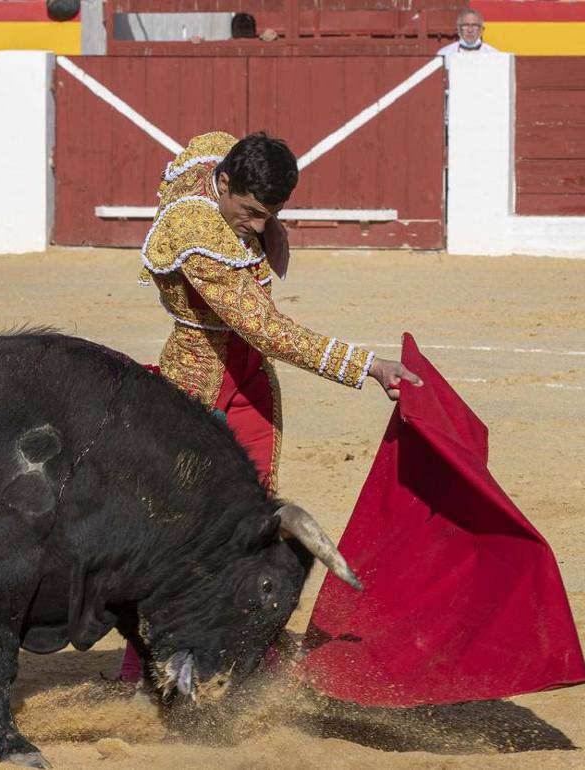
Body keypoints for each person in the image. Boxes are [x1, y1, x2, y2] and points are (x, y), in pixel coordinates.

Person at [119, 131, 422, 683]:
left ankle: (254, 644)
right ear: (225, 184)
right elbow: (265, 328)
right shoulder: (194, 229)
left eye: (271, 215)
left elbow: (215, 140)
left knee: (255, 520)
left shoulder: (216, 157)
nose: (257, 227)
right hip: (199, 383)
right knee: (183, 529)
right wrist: (367, 365)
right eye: (252, 212)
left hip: (249, 380)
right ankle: (149, 659)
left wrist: (269, 222)